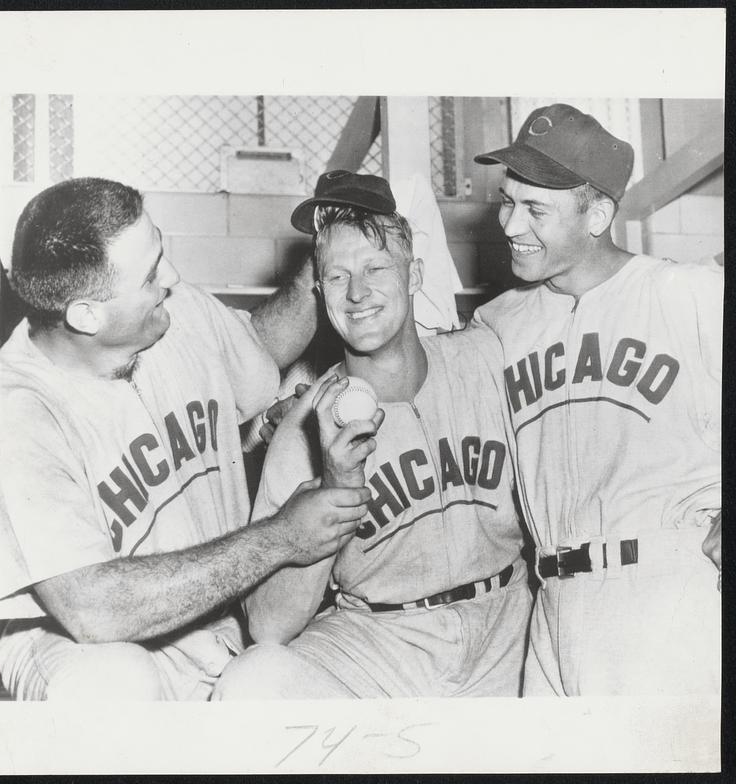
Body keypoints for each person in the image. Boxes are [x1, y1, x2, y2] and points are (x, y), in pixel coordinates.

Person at [0, 177, 371, 701]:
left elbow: (257, 348)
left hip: (214, 633)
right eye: (151, 275)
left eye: (161, 253)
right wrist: (282, 536)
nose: (171, 276)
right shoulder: (17, 413)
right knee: (111, 684)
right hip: (80, 646)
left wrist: (325, 252)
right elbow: (91, 609)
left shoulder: (174, 315)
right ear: (86, 314)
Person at [214, 172, 531, 699]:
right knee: (254, 684)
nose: (357, 293)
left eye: (375, 268)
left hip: (504, 628)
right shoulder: (308, 425)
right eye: (337, 277)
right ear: (319, 292)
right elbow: (269, 625)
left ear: (414, 275)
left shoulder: (486, 359)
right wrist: (331, 494)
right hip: (379, 644)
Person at [471, 103, 722, 696]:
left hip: (663, 594)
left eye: (536, 209)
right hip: (551, 606)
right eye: (508, 201)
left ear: (598, 214)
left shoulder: (685, 293)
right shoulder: (498, 323)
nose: (510, 225)